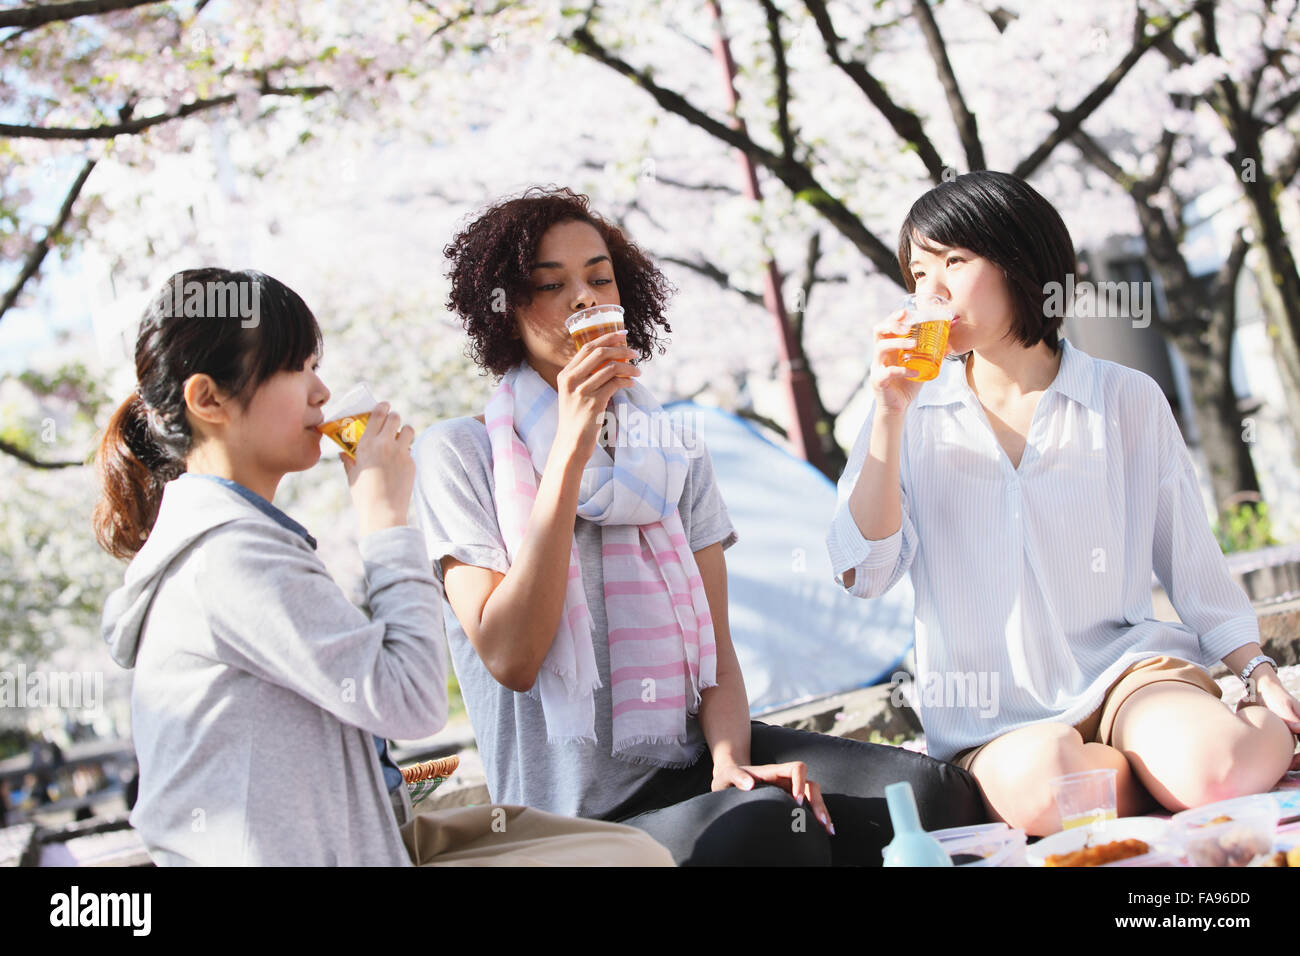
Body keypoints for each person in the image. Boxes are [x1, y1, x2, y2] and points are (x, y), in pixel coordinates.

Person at [414, 186, 987, 866]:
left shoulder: (670, 446)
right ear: (506, 311)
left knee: (933, 796)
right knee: (771, 833)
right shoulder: (461, 452)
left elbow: (715, 645)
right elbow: (512, 657)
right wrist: (569, 448)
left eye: (601, 280)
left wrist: (728, 761)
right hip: (569, 814)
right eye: (551, 285)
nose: (584, 300)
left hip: (688, 761)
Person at [95, 268, 671, 866]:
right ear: (208, 399)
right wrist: (385, 515)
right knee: (628, 860)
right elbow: (414, 701)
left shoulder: (241, 538)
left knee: (626, 851)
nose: (321, 391)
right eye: (295, 368)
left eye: (316, 365)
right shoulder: (226, 557)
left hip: (370, 840)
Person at [828, 170, 1300, 836]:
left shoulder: (1124, 397)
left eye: (953, 264)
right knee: (1054, 792)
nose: (928, 293)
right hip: (995, 716)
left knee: (1217, 772)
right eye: (916, 274)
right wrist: (887, 414)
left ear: (1021, 262)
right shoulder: (905, 415)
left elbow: (1190, 560)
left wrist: (1255, 668)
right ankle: (1150, 771)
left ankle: (1218, 741)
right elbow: (863, 574)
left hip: (1128, 675)